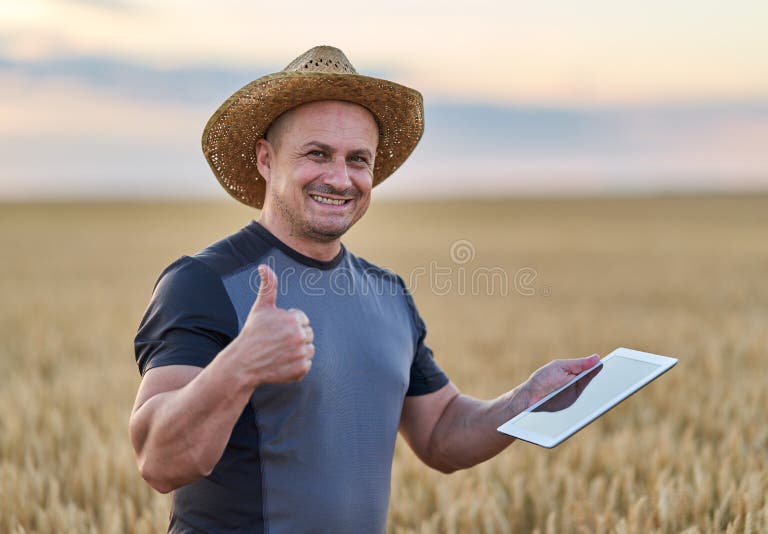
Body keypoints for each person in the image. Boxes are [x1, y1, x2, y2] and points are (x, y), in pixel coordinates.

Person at [129, 45, 599, 533]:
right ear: (265, 159)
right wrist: (239, 366)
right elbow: (158, 462)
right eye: (317, 154)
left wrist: (525, 400)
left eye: (359, 159)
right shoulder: (202, 283)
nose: (340, 178)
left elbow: (439, 432)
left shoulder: (388, 294)